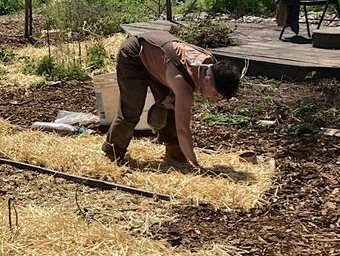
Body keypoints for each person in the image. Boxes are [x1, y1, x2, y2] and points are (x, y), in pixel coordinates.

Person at [102, 28, 241, 169]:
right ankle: (112, 153)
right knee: (131, 109)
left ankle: (175, 155)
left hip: (159, 59)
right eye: (216, 94)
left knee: (172, 107)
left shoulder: (210, 62)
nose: (214, 99)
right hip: (134, 55)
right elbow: (183, 129)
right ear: (207, 79)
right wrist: (195, 165)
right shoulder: (182, 85)